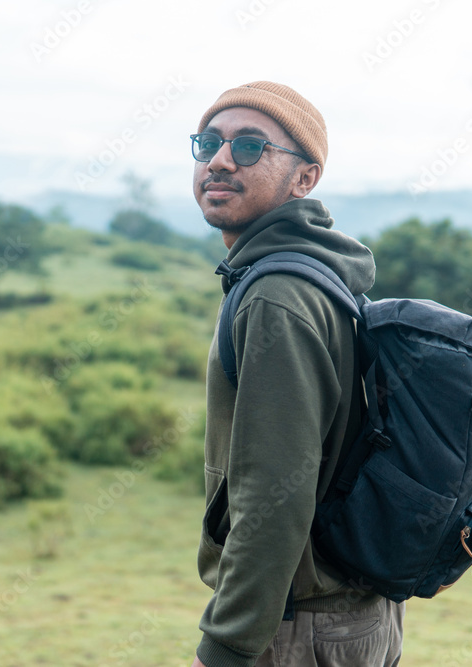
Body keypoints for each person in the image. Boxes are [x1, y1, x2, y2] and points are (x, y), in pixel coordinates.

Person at [189, 81, 404, 667]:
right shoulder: (312, 274)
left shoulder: (277, 295)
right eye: (208, 142)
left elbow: (274, 491)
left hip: (298, 629)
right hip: (349, 613)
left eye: (249, 146)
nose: (220, 160)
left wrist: (227, 645)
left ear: (304, 178)